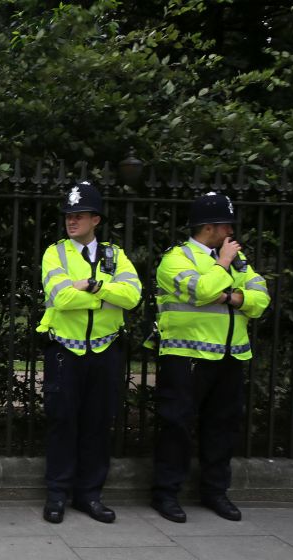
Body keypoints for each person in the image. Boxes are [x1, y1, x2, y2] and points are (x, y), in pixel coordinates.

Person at [151, 193, 269, 523]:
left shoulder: (238, 260)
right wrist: (223, 267)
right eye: (226, 225)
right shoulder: (176, 259)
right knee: (176, 424)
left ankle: (216, 492)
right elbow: (201, 292)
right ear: (209, 227)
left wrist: (230, 296)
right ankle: (166, 493)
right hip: (187, 356)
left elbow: (260, 299)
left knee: (223, 426)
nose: (231, 231)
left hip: (231, 355)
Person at [36, 181, 142, 524]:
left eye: (79, 215)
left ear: (96, 219)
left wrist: (91, 285)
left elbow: (133, 296)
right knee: (62, 422)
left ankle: (89, 495)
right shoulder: (56, 253)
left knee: (97, 424)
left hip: (105, 348)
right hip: (65, 349)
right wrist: (105, 293)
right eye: (68, 215)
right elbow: (60, 298)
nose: (71, 220)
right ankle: (56, 494)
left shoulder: (116, 254)